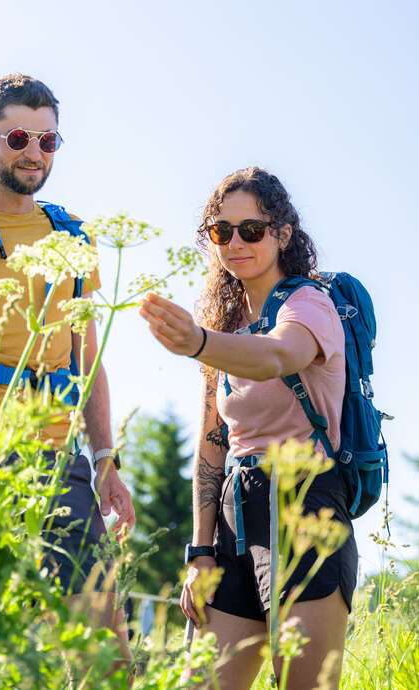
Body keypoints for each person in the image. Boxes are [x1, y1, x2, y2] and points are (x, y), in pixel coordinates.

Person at [139, 167, 358, 690]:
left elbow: (279, 355)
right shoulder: (227, 330)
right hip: (235, 521)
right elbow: (213, 447)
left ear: (283, 234)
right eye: (222, 231)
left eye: (252, 230)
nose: (236, 242)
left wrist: (198, 342)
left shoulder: (310, 304)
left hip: (304, 509)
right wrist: (200, 553)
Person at [0, 74, 135, 666]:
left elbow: (88, 359)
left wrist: (106, 459)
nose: (34, 152)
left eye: (49, 141)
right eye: (18, 139)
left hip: (57, 458)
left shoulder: (72, 238)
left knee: (105, 646)